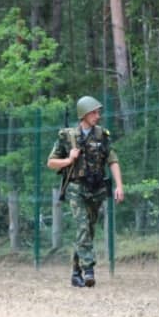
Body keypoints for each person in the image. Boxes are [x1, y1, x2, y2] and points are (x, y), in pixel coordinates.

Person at [47, 96, 125, 288]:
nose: (97, 116)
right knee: (83, 227)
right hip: (76, 188)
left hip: (96, 189)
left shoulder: (102, 135)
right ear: (84, 114)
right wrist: (68, 160)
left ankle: (76, 272)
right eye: (94, 113)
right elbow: (50, 162)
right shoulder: (67, 136)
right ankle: (89, 270)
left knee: (88, 231)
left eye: (98, 112)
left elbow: (112, 160)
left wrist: (119, 185)